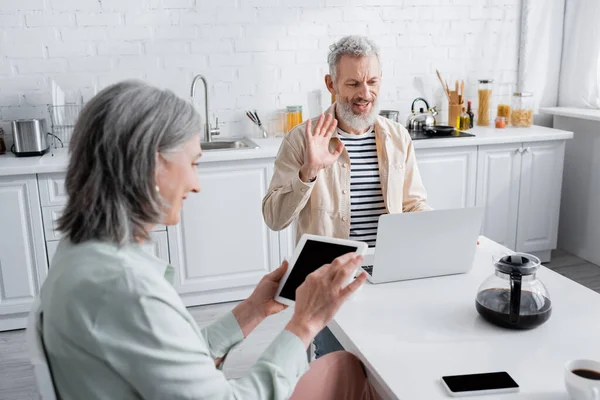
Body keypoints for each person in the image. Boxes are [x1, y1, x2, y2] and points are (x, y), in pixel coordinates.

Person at [39, 80, 379, 400]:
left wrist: (251, 311)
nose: (195, 183)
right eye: (192, 162)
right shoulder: (127, 289)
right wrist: (306, 322)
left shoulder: (82, 254)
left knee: (343, 367)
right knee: (349, 372)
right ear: (151, 166)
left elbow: (171, 358)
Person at [262, 35, 432, 358]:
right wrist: (309, 171)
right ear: (331, 84)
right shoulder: (303, 139)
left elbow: (413, 204)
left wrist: (440, 230)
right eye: (353, 83)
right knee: (338, 373)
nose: (364, 94)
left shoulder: (398, 137)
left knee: (390, 366)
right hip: (328, 287)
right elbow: (274, 216)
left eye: (372, 81)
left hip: (388, 279)